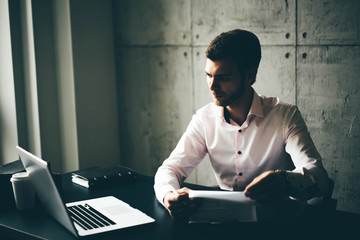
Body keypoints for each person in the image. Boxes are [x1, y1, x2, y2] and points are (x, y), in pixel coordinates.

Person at [154, 29, 329, 220]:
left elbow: (319, 176)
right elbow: (170, 169)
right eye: (208, 75)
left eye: (223, 77)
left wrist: (285, 181)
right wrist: (168, 195)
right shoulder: (204, 119)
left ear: (250, 76)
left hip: (280, 223)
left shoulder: (285, 116)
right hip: (227, 222)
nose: (212, 86)